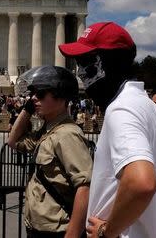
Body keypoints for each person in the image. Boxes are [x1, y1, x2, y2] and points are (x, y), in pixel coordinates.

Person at [59, 21, 156, 238]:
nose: (80, 72)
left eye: (85, 63)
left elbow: (142, 183)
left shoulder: (122, 108)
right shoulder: (145, 104)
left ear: (109, 64)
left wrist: (106, 231)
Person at [7, 65, 92, 238]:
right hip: (39, 228)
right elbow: (13, 141)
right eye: (33, 95)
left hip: (57, 232)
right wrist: (28, 109)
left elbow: (85, 187)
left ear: (60, 96)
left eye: (40, 94)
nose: (34, 98)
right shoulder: (48, 130)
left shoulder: (67, 134)